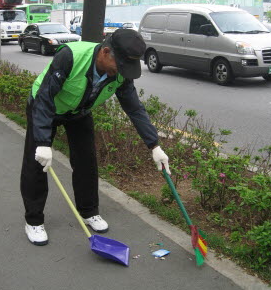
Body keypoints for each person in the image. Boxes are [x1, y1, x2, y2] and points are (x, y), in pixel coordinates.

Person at [21, 28, 170, 246]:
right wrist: (43, 143)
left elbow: (135, 109)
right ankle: (33, 220)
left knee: (86, 161)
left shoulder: (120, 74)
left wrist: (154, 145)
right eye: (120, 66)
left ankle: (88, 211)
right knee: (37, 163)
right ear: (105, 52)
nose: (122, 72)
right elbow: (45, 97)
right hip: (46, 108)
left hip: (79, 112)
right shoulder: (71, 57)